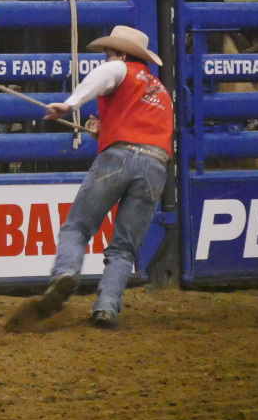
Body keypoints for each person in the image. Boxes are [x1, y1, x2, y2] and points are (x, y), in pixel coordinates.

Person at [36, 26, 173, 329]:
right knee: (124, 246)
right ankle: (107, 307)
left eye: (110, 53)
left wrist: (70, 105)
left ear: (122, 54)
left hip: (118, 158)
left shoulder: (119, 68)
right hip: (155, 166)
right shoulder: (159, 91)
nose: (106, 59)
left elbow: (106, 75)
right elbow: (142, 125)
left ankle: (66, 273)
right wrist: (104, 128)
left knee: (77, 226)